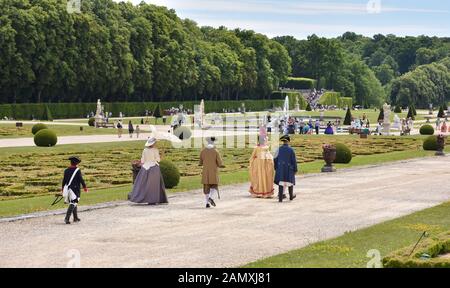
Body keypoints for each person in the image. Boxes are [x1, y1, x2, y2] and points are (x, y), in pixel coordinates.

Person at [128, 138, 168, 205]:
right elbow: (158, 160)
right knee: (154, 185)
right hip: (154, 168)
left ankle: (139, 197)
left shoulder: (145, 150)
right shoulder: (155, 150)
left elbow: (143, 161)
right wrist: (161, 155)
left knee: (143, 184)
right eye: (155, 142)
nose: (156, 143)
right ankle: (153, 199)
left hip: (145, 168)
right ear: (153, 143)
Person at [62, 156, 88, 225]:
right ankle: (66, 218)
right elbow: (81, 179)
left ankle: (75, 217)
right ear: (76, 163)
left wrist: (62, 189)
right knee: (74, 202)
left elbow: (64, 181)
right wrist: (85, 187)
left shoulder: (66, 170)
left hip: (68, 189)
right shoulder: (77, 170)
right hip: (75, 189)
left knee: (74, 202)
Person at [199, 137, 224, 208]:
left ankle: (207, 203)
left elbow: (200, 162)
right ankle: (210, 197)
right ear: (213, 142)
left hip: (205, 171)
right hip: (213, 171)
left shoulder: (203, 151)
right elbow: (220, 163)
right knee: (214, 185)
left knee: (206, 187)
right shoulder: (215, 151)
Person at [274, 135, 298, 203]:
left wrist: (276, 167)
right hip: (289, 168)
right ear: (288, 141)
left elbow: (275, 159)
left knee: (281, 182)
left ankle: (280, 198)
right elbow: (294, 161)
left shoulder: (278, 149)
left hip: (280, 168)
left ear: (283, 142)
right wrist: (295, 169)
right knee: (290, 182)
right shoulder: (291, 150)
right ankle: (291, 196)